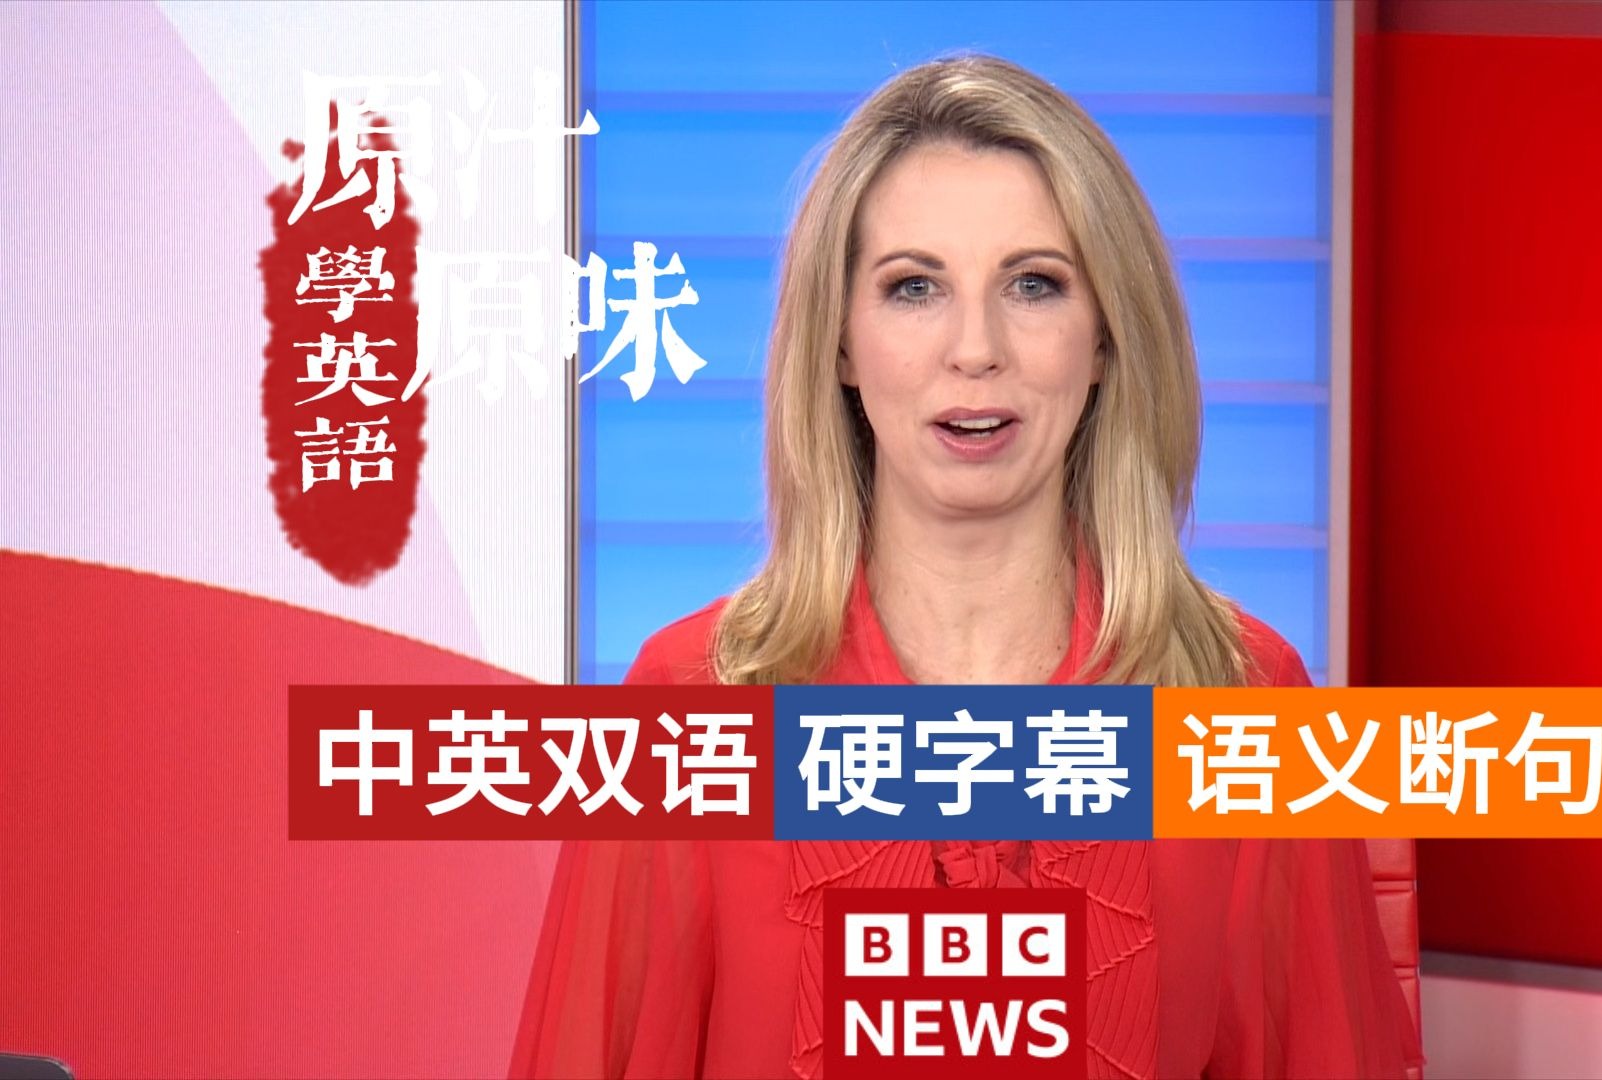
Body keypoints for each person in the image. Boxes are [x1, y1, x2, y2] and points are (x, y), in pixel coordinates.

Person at [512, 55, 1422, 1080]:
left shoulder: (1248, 700)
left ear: (1105, 339)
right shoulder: (688, 706)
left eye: (1034, 285)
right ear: (841, 344)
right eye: (914, 288)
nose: (976, 348)